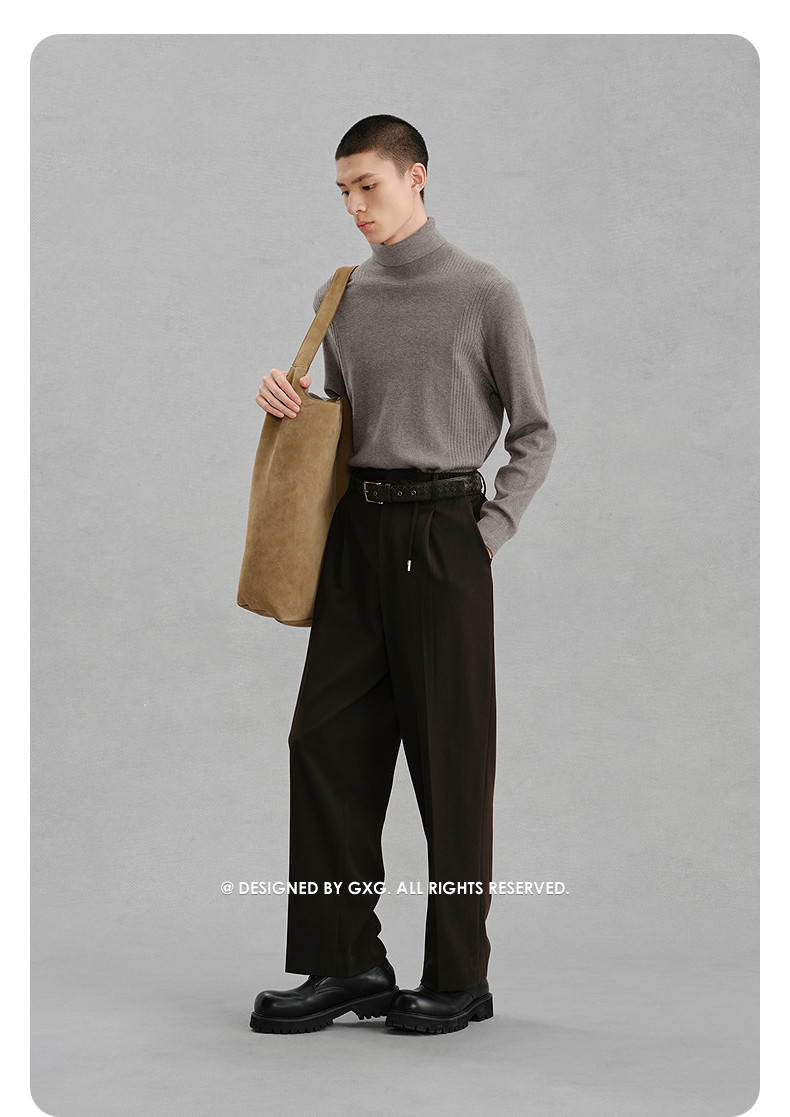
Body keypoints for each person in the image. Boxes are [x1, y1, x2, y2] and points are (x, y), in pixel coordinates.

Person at [249, 115, 556, 1036]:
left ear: (416, 177)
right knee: (323, 743)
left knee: (450, 763)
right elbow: (349, 420)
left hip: (443, 535)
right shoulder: (340, 294)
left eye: (368, 186)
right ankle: (349, 961)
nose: (355, 206)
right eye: (343, 191)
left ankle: (460, 975)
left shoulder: (484, 293)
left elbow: (535, 432)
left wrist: (484, 535)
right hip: (358, 535)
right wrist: (294, 404)